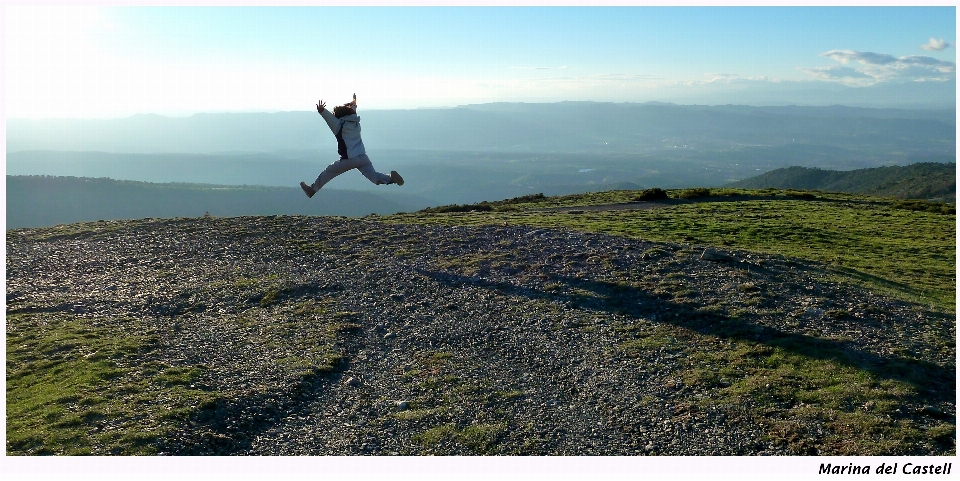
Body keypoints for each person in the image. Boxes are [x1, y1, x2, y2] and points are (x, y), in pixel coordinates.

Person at [300, 93, 403, 198]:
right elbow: (353, 111)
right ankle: (390, 178)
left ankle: (312, 189)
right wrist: (354, 101)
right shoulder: (355, 122)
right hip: (363, 157)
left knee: (330, 171)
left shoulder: (339, 125)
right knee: (373, 175)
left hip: (349, 159)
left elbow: (329, 119)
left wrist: (322, 110)